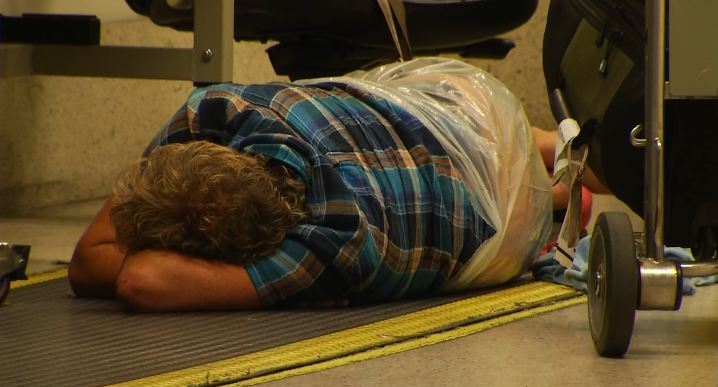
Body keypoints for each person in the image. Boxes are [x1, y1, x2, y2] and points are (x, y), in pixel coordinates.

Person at [68, 58, 600, 312]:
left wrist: (174, 253)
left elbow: (136, 278)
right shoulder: (216, 112)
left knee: (528, 196)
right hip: (460, 106)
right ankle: (557, 160)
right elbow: (103, 262)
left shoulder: (331, 239)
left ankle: (553, 186)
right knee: (542, 154)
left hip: (484, 220)